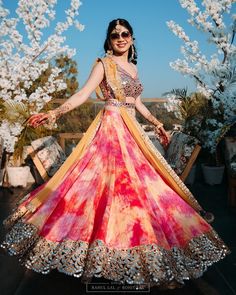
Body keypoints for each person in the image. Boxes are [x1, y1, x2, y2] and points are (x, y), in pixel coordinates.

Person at [0, 18, 230, 289]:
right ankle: (102, 249)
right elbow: (83, 94)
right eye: (114, 35)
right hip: (110, 130)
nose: (120, 38)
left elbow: (137, 103)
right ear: (109, 40)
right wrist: (55, 112)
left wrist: (157, 124)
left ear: (132, 38)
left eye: (125, 34)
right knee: (105, 188)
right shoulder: (103, 64)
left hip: (132, 131)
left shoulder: (133, 67)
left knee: (139, 190)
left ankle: (139, 247)